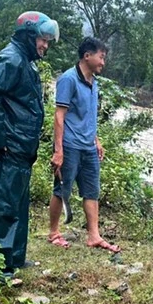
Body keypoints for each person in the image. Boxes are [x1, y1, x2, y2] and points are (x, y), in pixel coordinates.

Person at [0, 11, 60, 277]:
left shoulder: (26, 61)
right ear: (28, 35)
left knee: (18, 205)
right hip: (9, 147)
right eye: (42, 39)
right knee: (4, 207)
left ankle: (15, 258)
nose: (45, 45)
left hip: (22, 148)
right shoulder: (11, 59)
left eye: (47, 40)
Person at [49, 37, 120, 253]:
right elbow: (59, 116)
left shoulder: (94, 83)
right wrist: (58, 151)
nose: (102, 63)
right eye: (101, 57)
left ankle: (94, 236)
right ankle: (53, 232)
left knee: (91, 190)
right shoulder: (68, 79)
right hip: (70, 145)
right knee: (62, 189)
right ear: (87, 55)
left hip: (88, 147)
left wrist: (96, 140)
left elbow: (89, 115)